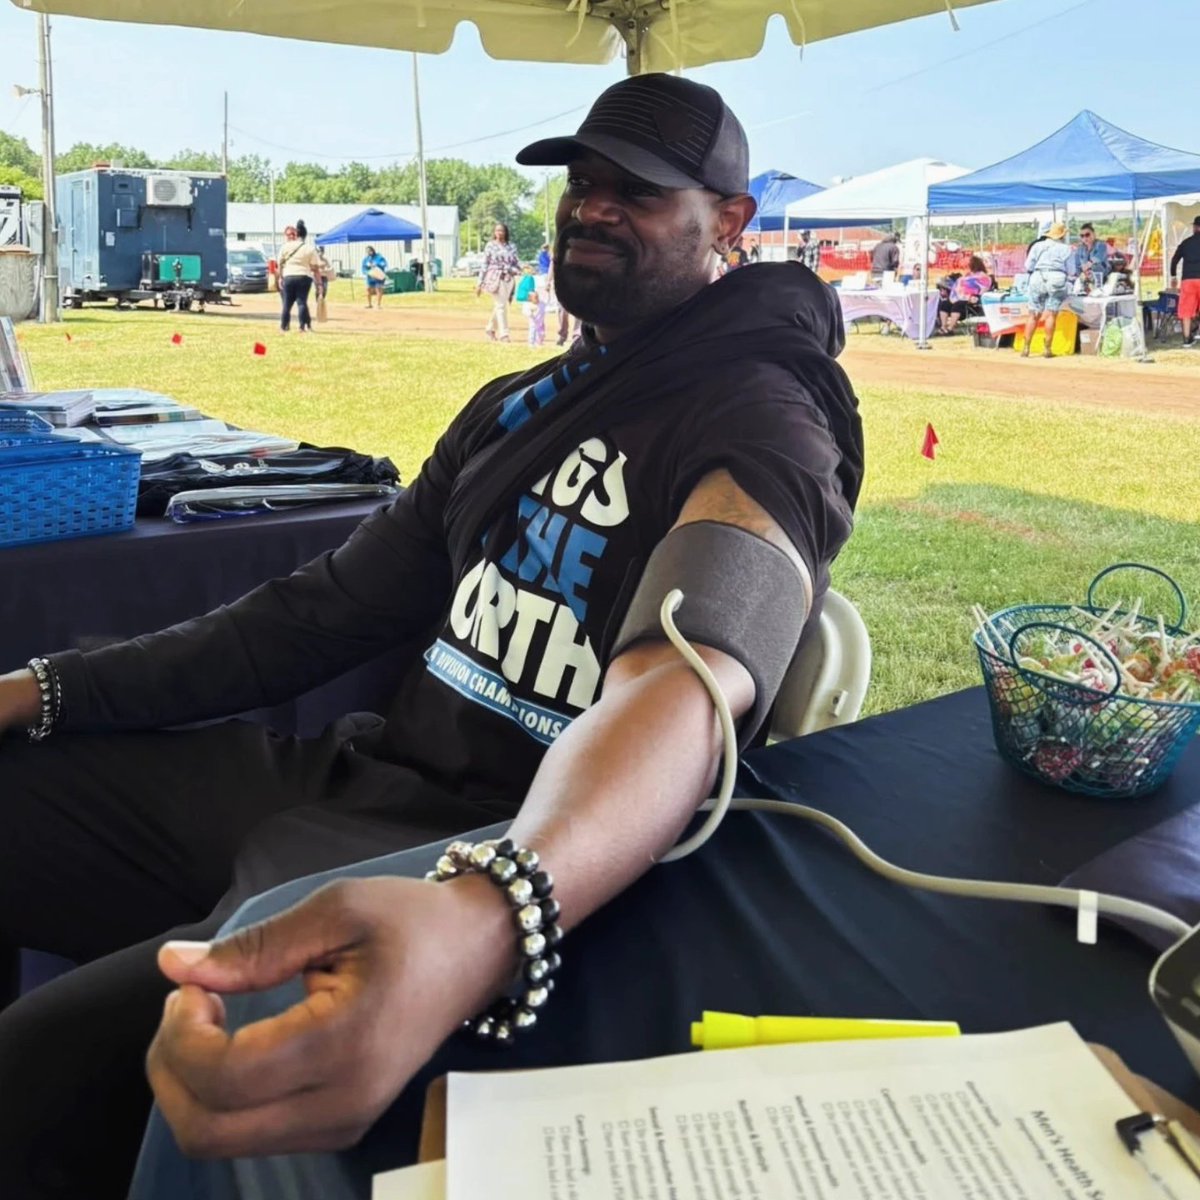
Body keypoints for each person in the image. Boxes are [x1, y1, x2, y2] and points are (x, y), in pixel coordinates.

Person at [0, 73, 863, 1200]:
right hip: (345, 789)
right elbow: (316, 614)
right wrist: (41, 687)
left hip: (473, 854)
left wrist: (492, 906)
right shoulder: (523, 401)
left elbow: (685, 681)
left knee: (38, 1073)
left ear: (730, 224)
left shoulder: (763, 410)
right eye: (583, 181)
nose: (592, 207)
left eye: (639, 193)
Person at [1021, 222, 1076, 358]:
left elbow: (1028, 265)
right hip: (1056, 278)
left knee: (1033, 314)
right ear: (1062, 235)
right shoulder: (1066, 249)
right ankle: (1047, 349)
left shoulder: (1037, 246)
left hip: (1038, 277)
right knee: (1051, 314)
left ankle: (1026, 348)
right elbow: (1072, 270)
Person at [476, 222, 521, 341]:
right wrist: (479, 283)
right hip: (495, 278)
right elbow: (485, 264)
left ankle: (490, 328)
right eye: (497, 231)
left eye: (502, 231)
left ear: (506, 232)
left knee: (500, 304)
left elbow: (516, 262)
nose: (499, 233)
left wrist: (518, 270)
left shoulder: (511, 246)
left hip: (509, 278)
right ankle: (504, 334)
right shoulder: (490, 246)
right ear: (494, 233)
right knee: (501, 306)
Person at [277, 223, 321, 333]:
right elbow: (315, 267)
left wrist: (280, 277)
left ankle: (283, 327)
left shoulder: (285, 247)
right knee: (302, 302)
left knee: (286, 303)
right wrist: (319, 283)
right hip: (304, 276)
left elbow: (280, 264)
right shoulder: (309, 248)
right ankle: (302, 327)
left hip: (289, 276)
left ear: (296, 234)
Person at [937, 254, 994, 335]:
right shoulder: (968, 275)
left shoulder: (984, 277)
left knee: (957, 305)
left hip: (972, 302)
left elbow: (983, 291)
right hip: (960, 298)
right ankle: (943, 327)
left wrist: (972, 297)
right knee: (945, 304)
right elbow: (958, 287)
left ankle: (950, 329)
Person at [1169, 214, 1200, 348]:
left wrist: (1173, 276)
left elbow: (1174, 259)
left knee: (1186, 311)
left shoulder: (1186, 243)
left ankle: (1187, 340)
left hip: (1188, 280)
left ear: (1195, 227)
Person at [1073, 223, 1109, 290]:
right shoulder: (1079, 249)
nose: (1085, 238)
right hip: (1086, 281)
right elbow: (1077, 265)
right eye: (1082, 236)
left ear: (1094, 234)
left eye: (1087, 235)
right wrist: (1081, 274)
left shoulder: (1101, 245)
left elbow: (1098, 258)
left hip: (1102, 279)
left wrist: (1087, 265)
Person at [361, 245, 388, 309]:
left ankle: (378, 304)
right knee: (368, 289)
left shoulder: (379, 257)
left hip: (378, 276)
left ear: (373, 250)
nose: (369, 252)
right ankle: (369, 304)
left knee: (378, 289)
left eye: (370, 251)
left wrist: (376, 264)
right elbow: (363, 268)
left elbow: (384, 264)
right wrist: (366, 272)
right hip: (370, 276)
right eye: (367, 251)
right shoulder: (366, 259)